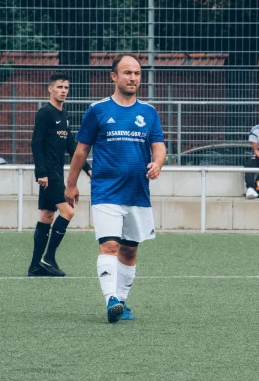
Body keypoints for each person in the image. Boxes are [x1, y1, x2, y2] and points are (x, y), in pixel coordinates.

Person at [65, 53, 166, 323]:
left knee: (130, 250)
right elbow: (81, 150)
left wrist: (157, 163)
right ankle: (110, 299)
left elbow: (159, 146)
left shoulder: (149, 112)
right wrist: (71, 184)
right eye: (127, 73)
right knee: (110, 245)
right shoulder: (97, 110)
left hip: (137, 194)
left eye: (136, 73)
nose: (133, 78)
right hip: (106, 191)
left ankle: (121, 303)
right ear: (114, 76)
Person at [28, 73, 91, 278]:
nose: (63, 90)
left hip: (56, 172)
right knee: (68, 212)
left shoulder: (64, 115)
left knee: (47, 216)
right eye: (60, 87)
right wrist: (41, 173)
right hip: (49, 174)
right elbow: (36, 143)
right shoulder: (44, 113)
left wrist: (88, 168)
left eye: (66, 87)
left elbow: (72, 146)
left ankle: (35, 266)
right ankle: (49, 258)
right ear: (50, 89)